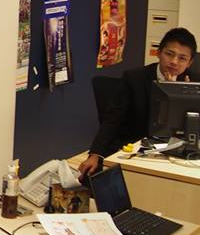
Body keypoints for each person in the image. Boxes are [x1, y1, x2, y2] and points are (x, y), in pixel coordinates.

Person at [79, 26, 197, 178]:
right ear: (158, 53)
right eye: (169, 54)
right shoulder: (135, 78)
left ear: (189, 62)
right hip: (137, 148)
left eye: (182, 58)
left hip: (179, 152)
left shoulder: (195, 82)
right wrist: (95, 154)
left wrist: (182, 92)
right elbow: (113, 119)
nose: (174, 62)